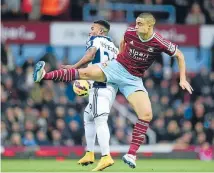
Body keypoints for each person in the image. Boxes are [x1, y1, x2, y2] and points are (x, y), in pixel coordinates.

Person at [34, 13, 193, 168]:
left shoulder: (159, 41)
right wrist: (120, 57)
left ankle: (131, 154)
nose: (136, 26)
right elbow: (123, 42)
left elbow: (180, 55)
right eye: (136, 23)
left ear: (150, 26)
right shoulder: (131, 32)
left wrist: (182, 78)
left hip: (133, 80)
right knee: (84, 73)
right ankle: (44, 75)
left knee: (146, 114)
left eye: (140, 24)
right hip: (116, 68)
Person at [35, 20, 118, 171]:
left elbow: (89, 55)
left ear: (100, 31)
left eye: (92, 28)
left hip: (99, 86)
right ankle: (90, 153)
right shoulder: (114, 48)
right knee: (88, 115)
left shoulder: (95, 39)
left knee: (100, 119)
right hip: (111, 87)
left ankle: (106, 156)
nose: (90, 31)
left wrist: (74, 67)